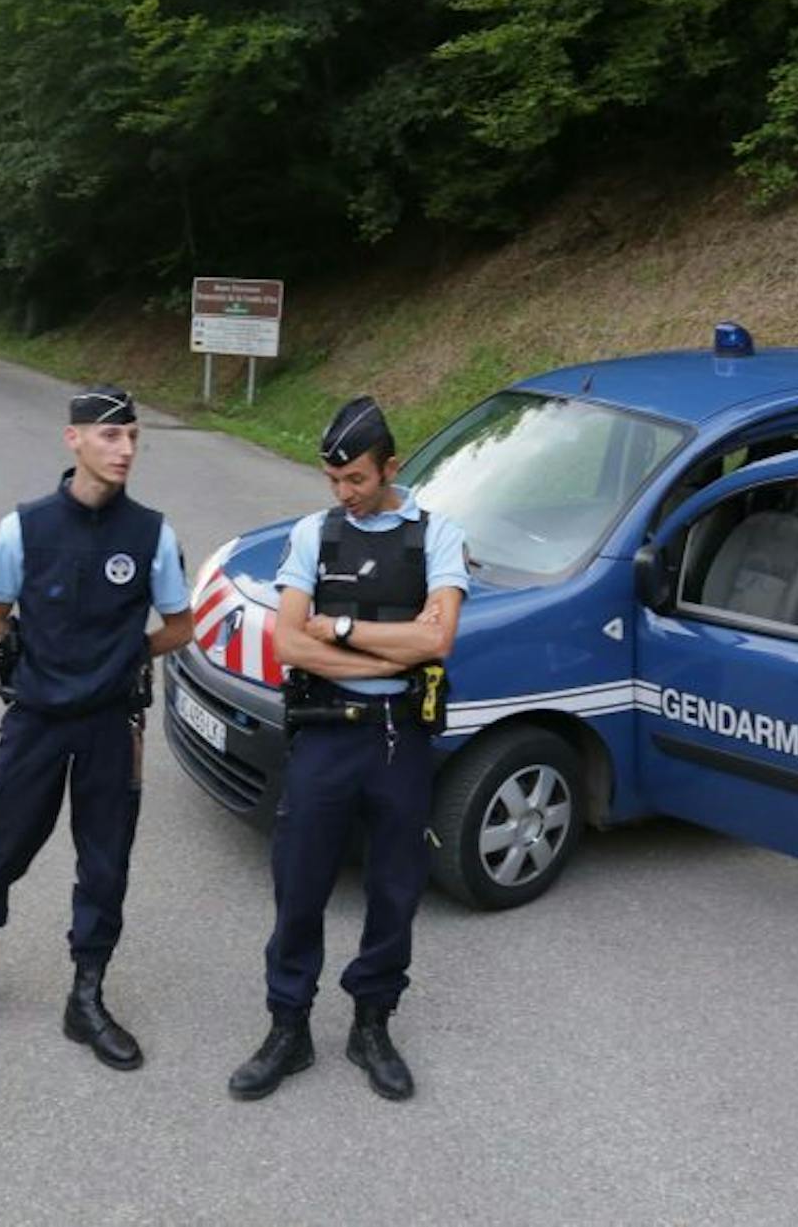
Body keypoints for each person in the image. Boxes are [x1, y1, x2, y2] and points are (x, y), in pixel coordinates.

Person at [0, 384, 194, 1072]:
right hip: (35, 721)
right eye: (109, 435)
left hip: (110, 728)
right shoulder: (25, 528)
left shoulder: (153, 534)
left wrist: (126, 656)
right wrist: (32, 655)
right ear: (73, 440)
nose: (125, 448)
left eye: (132, 435)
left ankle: (86, 997)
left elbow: (180, 627)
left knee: (105, 865)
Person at [227, 396, 468, 1103]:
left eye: (357, 480)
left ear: (391, 466)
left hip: (399, 739)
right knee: (299, 882)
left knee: (395, 886)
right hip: (327, 734)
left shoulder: (438, 535)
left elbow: (437, 641)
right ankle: (288, 1025)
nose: (344, 494)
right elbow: (287, 642)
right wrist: (374, 648)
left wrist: (334, 631)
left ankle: (372, 1022)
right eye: (334, 482)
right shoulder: (315, 534)